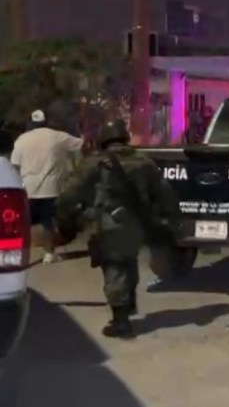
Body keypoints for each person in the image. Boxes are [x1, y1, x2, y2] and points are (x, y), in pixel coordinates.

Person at [55, 118, 177, 339]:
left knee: (114, 268)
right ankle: (126, 309)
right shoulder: (143, 161)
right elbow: (164, 192)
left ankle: (121, 322)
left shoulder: (95, 163)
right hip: (137, 224)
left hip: (106, 224)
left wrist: (65, 219)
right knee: (129, 262)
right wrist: (168, 219)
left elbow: (69, 194)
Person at [10, 109, 85, 264]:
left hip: (28, 189)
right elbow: (81, 144)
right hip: (51, 188)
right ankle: (49, 254)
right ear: (46, 122)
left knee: (24, 225)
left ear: (31, 123)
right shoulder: (58, 136)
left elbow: (15, 165)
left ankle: (18, 255)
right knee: (48, 223)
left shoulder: (22, 140)